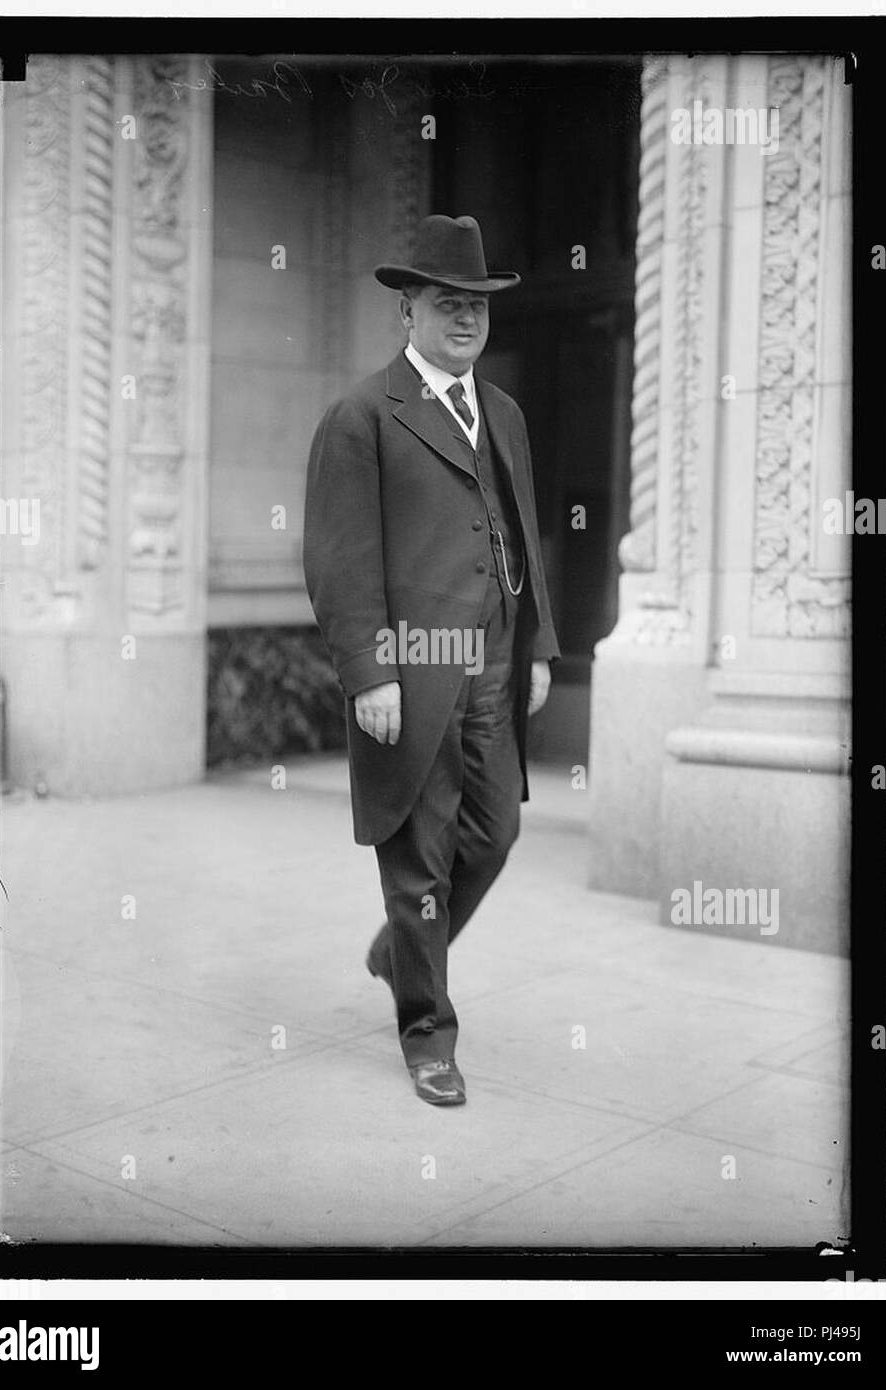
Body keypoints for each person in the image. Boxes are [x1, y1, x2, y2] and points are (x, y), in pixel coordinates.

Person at [303, 214, 560, 1106]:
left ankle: (398, 950)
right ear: (407, 309)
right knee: (418, 859)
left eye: (477, 305)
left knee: (493, 835)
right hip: (409, 672)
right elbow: (339, 561)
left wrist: (539, 650)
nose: (465, 319)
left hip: (491, 666)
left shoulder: (506, 414)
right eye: (447, 303)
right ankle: (428, 1036)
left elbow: (524, 536)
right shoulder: (361, 417)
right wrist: (367, 671)